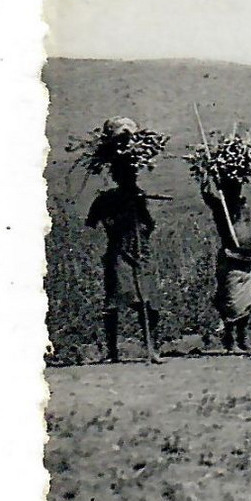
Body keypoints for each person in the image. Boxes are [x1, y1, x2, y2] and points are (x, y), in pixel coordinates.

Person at [85, 126, 161, 364]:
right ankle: (112, 351)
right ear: (116, 175)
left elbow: (150, 225)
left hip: (140, 254)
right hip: (119, 252)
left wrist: (140, 225)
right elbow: (94, 223)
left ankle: (152, 348)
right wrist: (118, 220)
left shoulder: (138, 197)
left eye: (131, 175)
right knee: (114, 301)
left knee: (148, 302)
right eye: (124, 174)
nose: (129, 178)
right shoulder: (107, 198)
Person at [197, 169, 251, 356]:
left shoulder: (243, 208)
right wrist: (205, 177)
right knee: (232, 302)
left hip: (247, 259)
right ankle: (230, 339)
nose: (237, 189)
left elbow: (248, 232)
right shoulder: (221, 207)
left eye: (238, 185)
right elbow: (207, 195)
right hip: (231, 259)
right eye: (233, 186)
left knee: (246, 303)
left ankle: (243, 339)